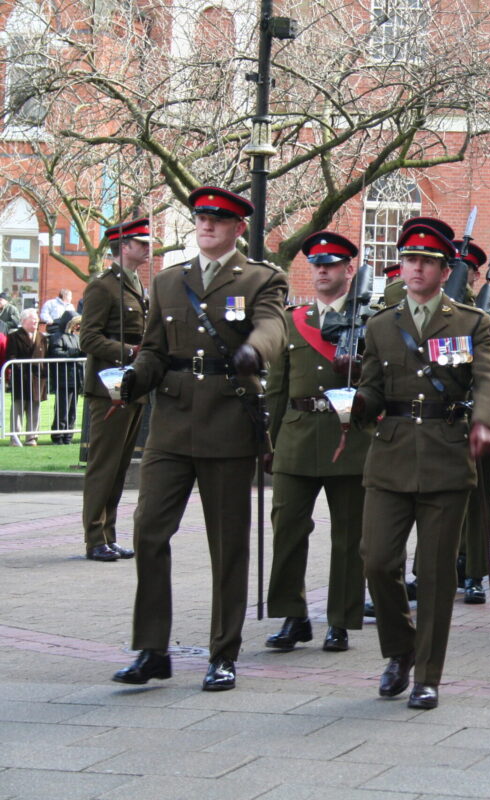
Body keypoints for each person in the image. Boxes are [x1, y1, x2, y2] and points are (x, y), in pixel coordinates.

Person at [112, 187, 287, 691]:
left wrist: (256, 351)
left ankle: (223, 653)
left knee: (228, 545)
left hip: (228, 422)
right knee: (148, 532)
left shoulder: (260, 278)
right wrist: (131, 380)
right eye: (201, 218)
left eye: (219, 219)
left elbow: (274, 326)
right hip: (171, 424)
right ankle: (151, 649)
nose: (206, 225)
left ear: (237, 228)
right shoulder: (169, 281)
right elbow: (153, 348)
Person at [357, 220, 490, 710]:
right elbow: (374, 386)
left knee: (437, 573)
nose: (415, 268)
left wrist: (484, 423)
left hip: (445, 453)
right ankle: (400, 649)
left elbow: (487, 380)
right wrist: (352, 400)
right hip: (392, 453)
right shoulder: (380, 324)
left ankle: (427, 674)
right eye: (409, 259)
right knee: (377, 559)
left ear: (444, 270)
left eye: (426, 261)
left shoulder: (469, 322)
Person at [264, 230, 370, 654]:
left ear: (349, 270)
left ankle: (341, 619)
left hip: (352, 437)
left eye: (331, 264)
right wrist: (269, 443)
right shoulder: (293, 321)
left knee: (349, 536)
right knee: (287, 528)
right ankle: (293, 615)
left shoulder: (373, 321)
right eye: (316, 265)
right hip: (298, 434)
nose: (322, 271)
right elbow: (276, 387)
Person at [78, 218, 150, 562]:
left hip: (132, 386)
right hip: (108, 387)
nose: (148, 247)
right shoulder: (103, 287)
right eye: (142, 242)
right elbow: (88, 338)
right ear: (124, 246)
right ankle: (94, 538)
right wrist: (128, 351)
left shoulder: (137, 285)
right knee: (104, 466)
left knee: (120, 466)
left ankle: (109, 534)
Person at [6, 308, 47, 446]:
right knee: (18, 407)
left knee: (35, 407)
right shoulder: (14, 337)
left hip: (37, 379)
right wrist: (22, 369)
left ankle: (32, 437)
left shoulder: (42, 337)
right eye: (32, 319)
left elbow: (46, 357)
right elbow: (11, 357)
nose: (35, 322)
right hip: (21, 379)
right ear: (24, 321)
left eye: (36, 319)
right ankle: (15, 437)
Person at [48, 311, 84, 444]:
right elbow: (56, 353)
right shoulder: (57, 336)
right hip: (63, 377)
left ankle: (68, 434)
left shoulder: (75, 337)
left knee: (72, 410)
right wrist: (75, 352)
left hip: (75, 377)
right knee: (62, 408)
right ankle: (58, 434)